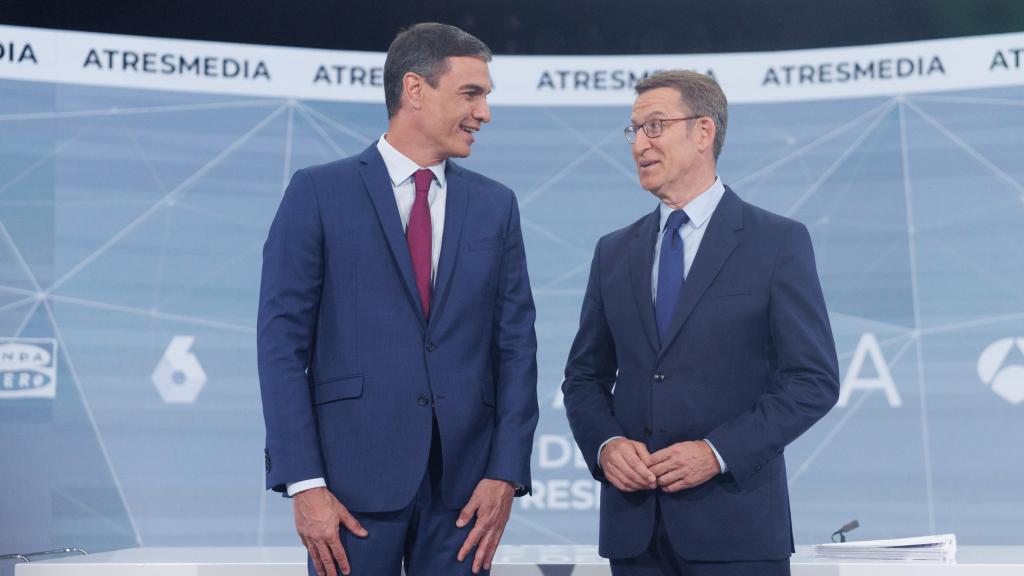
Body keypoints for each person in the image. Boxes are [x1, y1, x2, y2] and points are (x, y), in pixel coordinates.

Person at [257, 22, 538, 576]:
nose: (484, 112)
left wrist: (505, 473)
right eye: (471, 93)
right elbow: (281, 344)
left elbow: (517, 349)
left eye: (485, 97)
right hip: (347, 491)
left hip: (466, 495)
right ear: (415, 90)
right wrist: (304, 482)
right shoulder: (318, 192)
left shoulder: (495, 206)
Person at [561, 70, 840, 575]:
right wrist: (605, 445)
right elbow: (583, 377)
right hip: (635, 534)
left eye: (655, 126)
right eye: (634, 130)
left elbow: (813, 381)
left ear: (704, 132)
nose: (639, 143)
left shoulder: (776, 242)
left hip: (737, 531)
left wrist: (717, 452)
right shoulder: (613, 252)